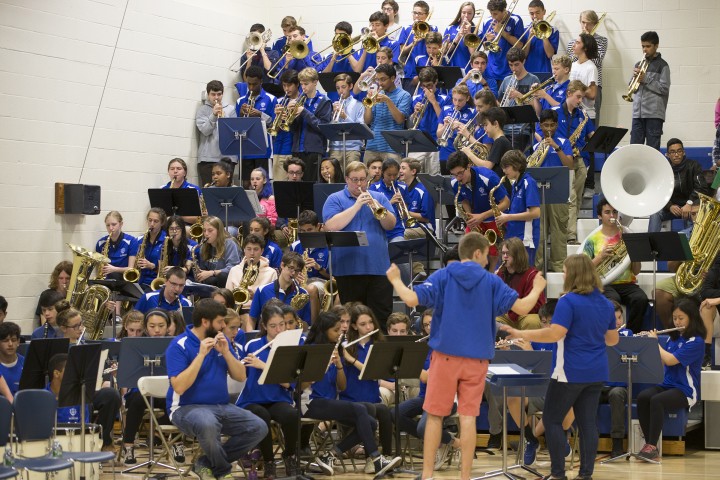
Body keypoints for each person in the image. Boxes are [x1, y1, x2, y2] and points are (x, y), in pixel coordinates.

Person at [388, 232, 546, 480]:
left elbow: (409, 299)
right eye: (487, 256)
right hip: (477, 361)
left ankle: (427, 475)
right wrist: (537, 288)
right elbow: (524, 308)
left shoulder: (443, 276)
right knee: (469, 417)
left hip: (445, 358)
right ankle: (465, 477)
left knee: (434, 417)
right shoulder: (491, 281)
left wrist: (396, 280)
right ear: (477, 253)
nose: (488, 262)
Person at [502, 254, 618, 480]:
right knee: (587, 425)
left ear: (573, 274)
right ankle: (586, 475)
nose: (563, 275)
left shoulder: (568, 301)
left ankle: (558, 474)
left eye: (565, 271)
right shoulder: (605, 303)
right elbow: (612, 340)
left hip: (570, 372)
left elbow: (555, 334)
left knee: (552, 420)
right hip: (596, 372)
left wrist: (521, 333)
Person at [166, 298, 267, 480]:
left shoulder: (222, 342)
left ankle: (206, 463)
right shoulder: (179, 345)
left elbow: (241, 376)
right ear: (205, 322)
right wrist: (201, 355)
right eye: (220, 322)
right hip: (185, 408)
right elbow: (179, 387)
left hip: (221, 406)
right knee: (208, 423)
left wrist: (226, 352)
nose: (223, 326)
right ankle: (223, 472)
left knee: (258, 427)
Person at [305, 311, 401, 476]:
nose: (340, 333)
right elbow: (301, 386)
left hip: (330, 403)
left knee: (371, 423)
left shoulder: (336, 350)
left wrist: (339, 366)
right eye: (335, 330)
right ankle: (376, 459)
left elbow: (342, 386)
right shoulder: (311, 350)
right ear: (324, 330)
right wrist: (320, 367)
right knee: (360, 410)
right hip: (311, 403)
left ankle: (330, 455)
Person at [322, 161, 397, 325]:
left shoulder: (379, 197)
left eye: (362, 179)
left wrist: (376, 207)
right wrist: (357, 206)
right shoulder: (335, 199)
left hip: (378, 268)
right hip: (348, 269)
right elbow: (331, 226)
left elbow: (390, 225)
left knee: (381, 318)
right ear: (347, 179)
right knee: (352, 320)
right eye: (355, 180)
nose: (359, 184)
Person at [636, 298, 706, 461]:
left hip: (686, 390)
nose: (677, 321)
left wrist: (654, 343)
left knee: (657, 400)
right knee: (643, 397)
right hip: (668, 384)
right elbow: (661, 360)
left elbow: (671, 360)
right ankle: (649, 445)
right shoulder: (672, 338)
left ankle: (652, 447)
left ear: (691, 318)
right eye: (675, 318)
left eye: (681, 318)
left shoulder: (696, 341)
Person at [237, 303, 301, 478]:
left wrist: (263, 365)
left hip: (278, 398)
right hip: (253, 400)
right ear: (264, 326)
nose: (278, 330)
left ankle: (289, 455)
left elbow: (288, 384)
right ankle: (269, 461)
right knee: (261, 416)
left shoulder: (291, 347)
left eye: (282, 324)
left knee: (292, 415)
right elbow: (242, 375)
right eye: (273, 326)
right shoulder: (253, 345)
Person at [340, 304, 395, 472]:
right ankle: (372, 459)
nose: (369, 327)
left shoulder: (378, 345)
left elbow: (374, 373)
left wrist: (352, 360)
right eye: (363, 324)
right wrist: (345, 357)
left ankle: (386, 456)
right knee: (371, 412)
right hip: (351, 399)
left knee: (384, 411)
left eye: (370, 322)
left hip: (371, 398)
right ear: (354, 326)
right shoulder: (345, 346)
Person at [583, 199, 649, 333]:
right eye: (607, 212)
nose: (612, 216)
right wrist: (600, 256)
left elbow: (636, 272)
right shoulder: (592, 239)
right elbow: (582, 268)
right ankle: (611, 335)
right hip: (604, 283)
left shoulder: (627, 236)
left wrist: (634, 253)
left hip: (627, 283)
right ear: (599, 216)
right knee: (614, 300)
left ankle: (631, 334)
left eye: (614, 212)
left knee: (641, 299)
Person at [120, 309, 173, 465]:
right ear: (146, 327)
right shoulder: (134, 345)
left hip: (165, 392)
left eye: (161, 326)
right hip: (139, 392)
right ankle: (128, 445)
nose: (156, 330)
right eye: (152, 326)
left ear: (167, 327)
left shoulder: (174, 344)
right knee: (137, 400)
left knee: (177, 401)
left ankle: (176, 443)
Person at [566, 10, 607, 196]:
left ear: (585, 48)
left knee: (587, 149)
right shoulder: (573, 65)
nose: (574, 45)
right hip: (572, 113)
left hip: (586, 114)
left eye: (577, 43)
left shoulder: (591, 67)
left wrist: (578, 90)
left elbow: (592, 93)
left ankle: (590, 184)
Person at [447, 150, 509, 272]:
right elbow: (464, 199)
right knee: (466, 250)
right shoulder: (455, 183)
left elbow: (506, 203)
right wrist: (470, 215)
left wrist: (482, 216)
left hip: (495, 220)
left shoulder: (488, 177)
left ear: (469, 166)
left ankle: (491, 281)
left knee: (493, 256)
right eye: (454, 174)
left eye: (460, 173)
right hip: (477, 221)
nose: (458, 178)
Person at [47, 353, 122, 452]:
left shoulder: (80, 394)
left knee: (111, 394)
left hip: (77, 445)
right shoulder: (43, 397)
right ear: (56, 373)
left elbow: (85, 428)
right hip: (53, 447)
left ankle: (104, 443)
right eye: (71, 370)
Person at [531, 109, 573, 271]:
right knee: (539, 232)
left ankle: (558, 267)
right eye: (545, 125)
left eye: (552, 125)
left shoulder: (563, 142)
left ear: (556, 125)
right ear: (540, 125)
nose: (549, 128)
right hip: (539, 194)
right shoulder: (536, 145)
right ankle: (538, 269)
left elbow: (569, 165)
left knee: (558, 232)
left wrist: (556, 148)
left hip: (558, 193)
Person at [648, 138, 705, 232]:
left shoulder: (694, 166)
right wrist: (669, 206)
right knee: (655, 213)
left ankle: (687, 243)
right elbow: (658, 192)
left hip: (690, 205)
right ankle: (651, 243)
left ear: (684, 152)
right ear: (668, 155)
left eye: (679, 151)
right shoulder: (663, 169)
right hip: (672, 208)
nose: (676, 155)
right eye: (673, 152)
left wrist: (689, 203)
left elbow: (702, 188)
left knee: (691, 215)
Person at [496, 150, 541, 264]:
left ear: (517, 165)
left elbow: (535, 213)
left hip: (525, 239)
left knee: (523, 274)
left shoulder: (529, 183)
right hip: (514, 236)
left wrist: (507, 217)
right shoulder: (515, 183)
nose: (504, 170)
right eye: (503, 167)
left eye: (507, 167)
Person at [226, 233, 278, 330]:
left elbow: (273, 301)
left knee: (247, 318)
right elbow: (227, 295)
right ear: (244, 250)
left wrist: (256, 296)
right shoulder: (234, 270)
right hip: (239, 310)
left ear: (262, 251)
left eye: (256, 249)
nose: (252, 253)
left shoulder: (271, 272)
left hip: (262, 311)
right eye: (249, 249)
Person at [601, 300, 632, 459]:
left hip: (618, 386)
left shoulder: (627, 334)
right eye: (614, 319)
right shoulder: (597, 334)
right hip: (599, 383)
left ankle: (618, 443)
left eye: (620, 317)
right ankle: (588, 440)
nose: (618, 321)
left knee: (617, 394)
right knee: (585, 392)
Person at [629, 31, 671, 151]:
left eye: (648, 46)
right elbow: (631, 87)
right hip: (638, 114)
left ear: (656, 45)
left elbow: (664, 88)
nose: (645, 49)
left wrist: (646, 79)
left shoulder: (663, 66)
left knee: (652, 150)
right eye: (643, 46)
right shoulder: (638, 64)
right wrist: (634, 79)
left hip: (654, 115)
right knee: (635, 148)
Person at [289, 67, 333, 182]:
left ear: (315, 82)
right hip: (297, 148)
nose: (303, 87)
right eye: (301, 84)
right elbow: (293, 128)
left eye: (306, 84)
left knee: (311, 183)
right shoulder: (300, 100)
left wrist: (304, 112)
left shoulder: (324, 101)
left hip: (314, 149)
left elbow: (323, 127)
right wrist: (289, 116)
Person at [363, 63, 412, 164]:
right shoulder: (378, 94)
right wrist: (368, 103)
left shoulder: (404, 95)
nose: (380, 83)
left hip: (392, 148)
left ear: (393, 78)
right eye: (378, 79)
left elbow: (400, 120)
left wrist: (388, 101)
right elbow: (367, 121)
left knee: (392, 179)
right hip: (372, 146)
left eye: (383, 79)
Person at [236, 66, 277, 184]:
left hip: (263, 150)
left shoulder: (271, 99)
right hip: (245, 149)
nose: (251, 88)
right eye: (249, 84)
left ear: (261, 82)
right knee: (246, 184)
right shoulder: (240, 101)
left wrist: (260, 115)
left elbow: (274, 125)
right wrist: (240, 114)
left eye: (255, 84)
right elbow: (236, 126)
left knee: (264, 185)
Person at [249, 252, 311, 327]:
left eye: (297, 270)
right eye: (291, 268)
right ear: (282, 265)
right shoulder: (262, 290)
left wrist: (295, 319)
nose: (293, 273)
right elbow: (252, 320)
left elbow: (307, 325)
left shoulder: (303, 294)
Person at [495, 237, 545, 330]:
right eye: (503, 253)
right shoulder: (500, 274)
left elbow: (537, 306)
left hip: (526, 315)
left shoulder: (531, 275)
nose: (505, 256)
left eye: (508, 254)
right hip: (507, 315)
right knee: (493, 320)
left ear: (518, 255)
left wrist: (515, 309)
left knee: (532, 321)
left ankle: (529, 344)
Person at [291, 210, 332, 322]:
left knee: (311, 288)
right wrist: (295, 275)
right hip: (300, 280)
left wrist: (318, 267)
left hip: (321, 282)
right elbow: (287, 269)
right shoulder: (296, 246)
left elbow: (332, 277)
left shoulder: (328, 245)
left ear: (318, 226)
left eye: (310, 230)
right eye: (303, 231)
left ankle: (313, 327)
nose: (306, 234)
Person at [196, 80, 238, 186]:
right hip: (208, 159)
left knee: (226, 192)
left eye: (219, 94)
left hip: (227, 158)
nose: (216, 97)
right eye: (213, 94)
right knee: (208, 192)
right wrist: (214, 115)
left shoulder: (231, 109)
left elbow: (235, 132)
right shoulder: (202, 110)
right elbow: (205, 131)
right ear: (208, 94)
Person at [497, 47, 539, 152]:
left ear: (523, 61)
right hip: (505, 127)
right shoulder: (507, 80)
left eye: (516, 64)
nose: (513, 69)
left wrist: (519, 95)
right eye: (511, 65)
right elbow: (498, 102)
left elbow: (536, 108)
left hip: (523, 128)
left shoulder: (533, 79)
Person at [408, 67, 445, 176]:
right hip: (418, 144)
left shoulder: (445, 99)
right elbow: (410, 123)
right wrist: (415, 113)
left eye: (429, 85)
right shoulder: (415, 98)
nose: (427, 89)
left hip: (436, 145)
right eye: (424, 86)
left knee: (433, 178)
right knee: (412, 176)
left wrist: (434, 102)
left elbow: (444, 121)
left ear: (436, 82)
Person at [480, 0, 525, 87]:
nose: (493, 17)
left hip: (509, 69)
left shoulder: (515, 20)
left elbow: (519, 45)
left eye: (495, 14)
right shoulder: (487, 22)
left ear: (504, 10)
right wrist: (487, 41)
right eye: (491, 13)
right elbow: (485, 48)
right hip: (491, 70)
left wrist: (502, 32)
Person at [327, 73, 364, 168]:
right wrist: (331, 115)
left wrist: (345, 116)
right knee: (335, 178)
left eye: (343, 87)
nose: (340, 91)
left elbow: (360, 128)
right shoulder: (333, 105)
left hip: (353, 148)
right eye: (338, 88)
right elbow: (329, 128)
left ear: (350, 86)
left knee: (352, 176)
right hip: (335, 147)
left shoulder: (358, 105)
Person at [398, 1, 436, 91]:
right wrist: (413, 43)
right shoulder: (406, 29)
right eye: (414, 13)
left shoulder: (433, 29)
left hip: (427, 73)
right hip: (410, 73)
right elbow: (402, 52)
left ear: (426, 15)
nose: (416, 16)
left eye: (419, 13)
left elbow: (436, 48)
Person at [437, 84, 475, 174]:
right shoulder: (445, 109)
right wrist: (445, 126)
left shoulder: (473, 111)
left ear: (467, 98)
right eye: (454, 99)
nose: (457, 103)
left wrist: (460, 124)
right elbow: (438, 134)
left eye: (460, 100)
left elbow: (474, 135)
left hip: (463, 152)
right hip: (445, 152)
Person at [193, 216, 241, 287]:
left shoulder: (229, 244)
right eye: (204, 230)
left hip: (226, 280)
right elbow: (203, 269)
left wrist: (212, 273)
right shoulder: (204, 246)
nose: (206, 234)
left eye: (210, 230)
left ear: (219, 231)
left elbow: (233, 268)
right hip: (211, 280)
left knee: (221, 276)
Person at [465, 106, 511, 179]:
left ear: (496, 124)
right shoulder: (499, 141)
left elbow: (487, 166)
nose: (484, 128)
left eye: (486, 125)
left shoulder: (500, 141)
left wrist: (469, 153)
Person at [272, 69, 300, 181]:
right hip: (279, 148)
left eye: (289, 85)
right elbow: (275, 130)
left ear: (297, 84)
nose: (286, 89)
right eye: (284, 85)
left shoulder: (302, 101)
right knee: (278, 185)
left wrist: (290, 113)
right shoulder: (279, 101)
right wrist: (279, 118)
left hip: (294, 148)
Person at [95, 210, 139, 280]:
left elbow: (131, 268)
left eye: (114, 224)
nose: (111, 228)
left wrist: (114, 269)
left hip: (125, 280)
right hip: (107, 280)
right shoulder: (101, 243)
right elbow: (99, 268)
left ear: (121, 224)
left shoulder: (131, 241)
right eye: (108, 225)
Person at [370, 159, 406, 242]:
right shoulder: (374, 187)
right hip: (380, 230)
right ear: (383, 172)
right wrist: (390, 202)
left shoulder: (403, 187)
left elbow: (405, 215)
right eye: (389, 175)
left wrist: (402, 205)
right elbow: (374, 212)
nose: (392, 178)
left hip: (397, 231)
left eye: (395, 175)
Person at [399, 158, 436, 236]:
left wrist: (405, 213)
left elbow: (426, 218)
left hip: (424, 227)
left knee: (399, 235)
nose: (400, 171)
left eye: (403, 168)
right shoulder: (399, 189)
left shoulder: (424, 190)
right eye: (400, 168)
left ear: (413, 171)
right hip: (406, 226)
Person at [522, 0, 558, 75]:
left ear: (544, 12)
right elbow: (524, 55)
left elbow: (550, 54)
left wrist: (543, 33)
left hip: (545, 72)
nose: (534, 16)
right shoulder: (525, 29)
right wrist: (529, 36)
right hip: (527, 72)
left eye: (537, 13)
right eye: (532, 14)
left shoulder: (553, 30)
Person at [136, 207, 168, 290]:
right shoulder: (140, 240)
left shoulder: (167, 241)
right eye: (150, 220)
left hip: (156, 283)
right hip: (140, 281)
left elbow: (166, 269)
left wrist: (152, 266)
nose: (152, 224)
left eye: (156, 221)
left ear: (162, 223)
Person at [444, 2, 480, 71]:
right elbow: (444, 51)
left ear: (473, 15)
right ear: (460, 13)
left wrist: (468, 34)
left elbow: (474, 54)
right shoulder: (450, 28)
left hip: (467, 68)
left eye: (469, 13)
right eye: (463, 12)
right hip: (450, 67)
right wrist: (457, 38)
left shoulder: (477, 31)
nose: (466, 15)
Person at [0, 321, 23, 395]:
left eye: (13, 340)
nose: (10, 344)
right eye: (5, 341)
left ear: (18, 341)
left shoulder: (27, 363)